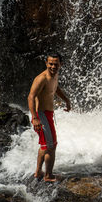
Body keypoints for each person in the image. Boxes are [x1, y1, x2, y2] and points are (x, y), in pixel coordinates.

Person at [28, 53, 71, 182]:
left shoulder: (55, 75)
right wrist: (35, 118)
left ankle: (38, 172)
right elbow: (30, 97)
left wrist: (66, 100)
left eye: (56, 64)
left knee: (45, 145)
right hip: (41, 115)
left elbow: (55, 88)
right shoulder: (41, 78)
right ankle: (48, 176)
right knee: (51, 146)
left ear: (60, 65)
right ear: (46, 63)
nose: (53, 66)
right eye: (50, 64)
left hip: (47, 114)